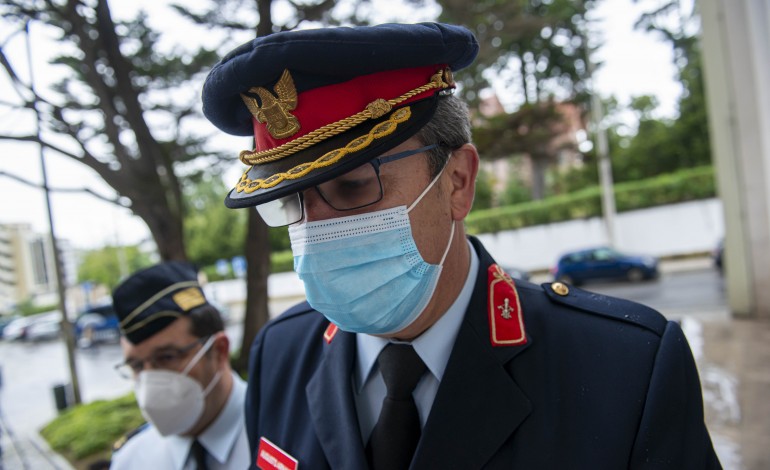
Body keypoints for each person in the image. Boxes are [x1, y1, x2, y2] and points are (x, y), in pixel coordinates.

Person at [202, 22, 721, 469]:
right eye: (291, 201)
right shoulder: (281, 354)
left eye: (354, 185)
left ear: (457, 181)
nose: (313, 229)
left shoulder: (625, 368)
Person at [109, 261, 249, 469]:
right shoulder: (130, 461)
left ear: (219, 350)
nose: (150, 379)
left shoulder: (285, 433)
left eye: (166, 358)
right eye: (137, 366)